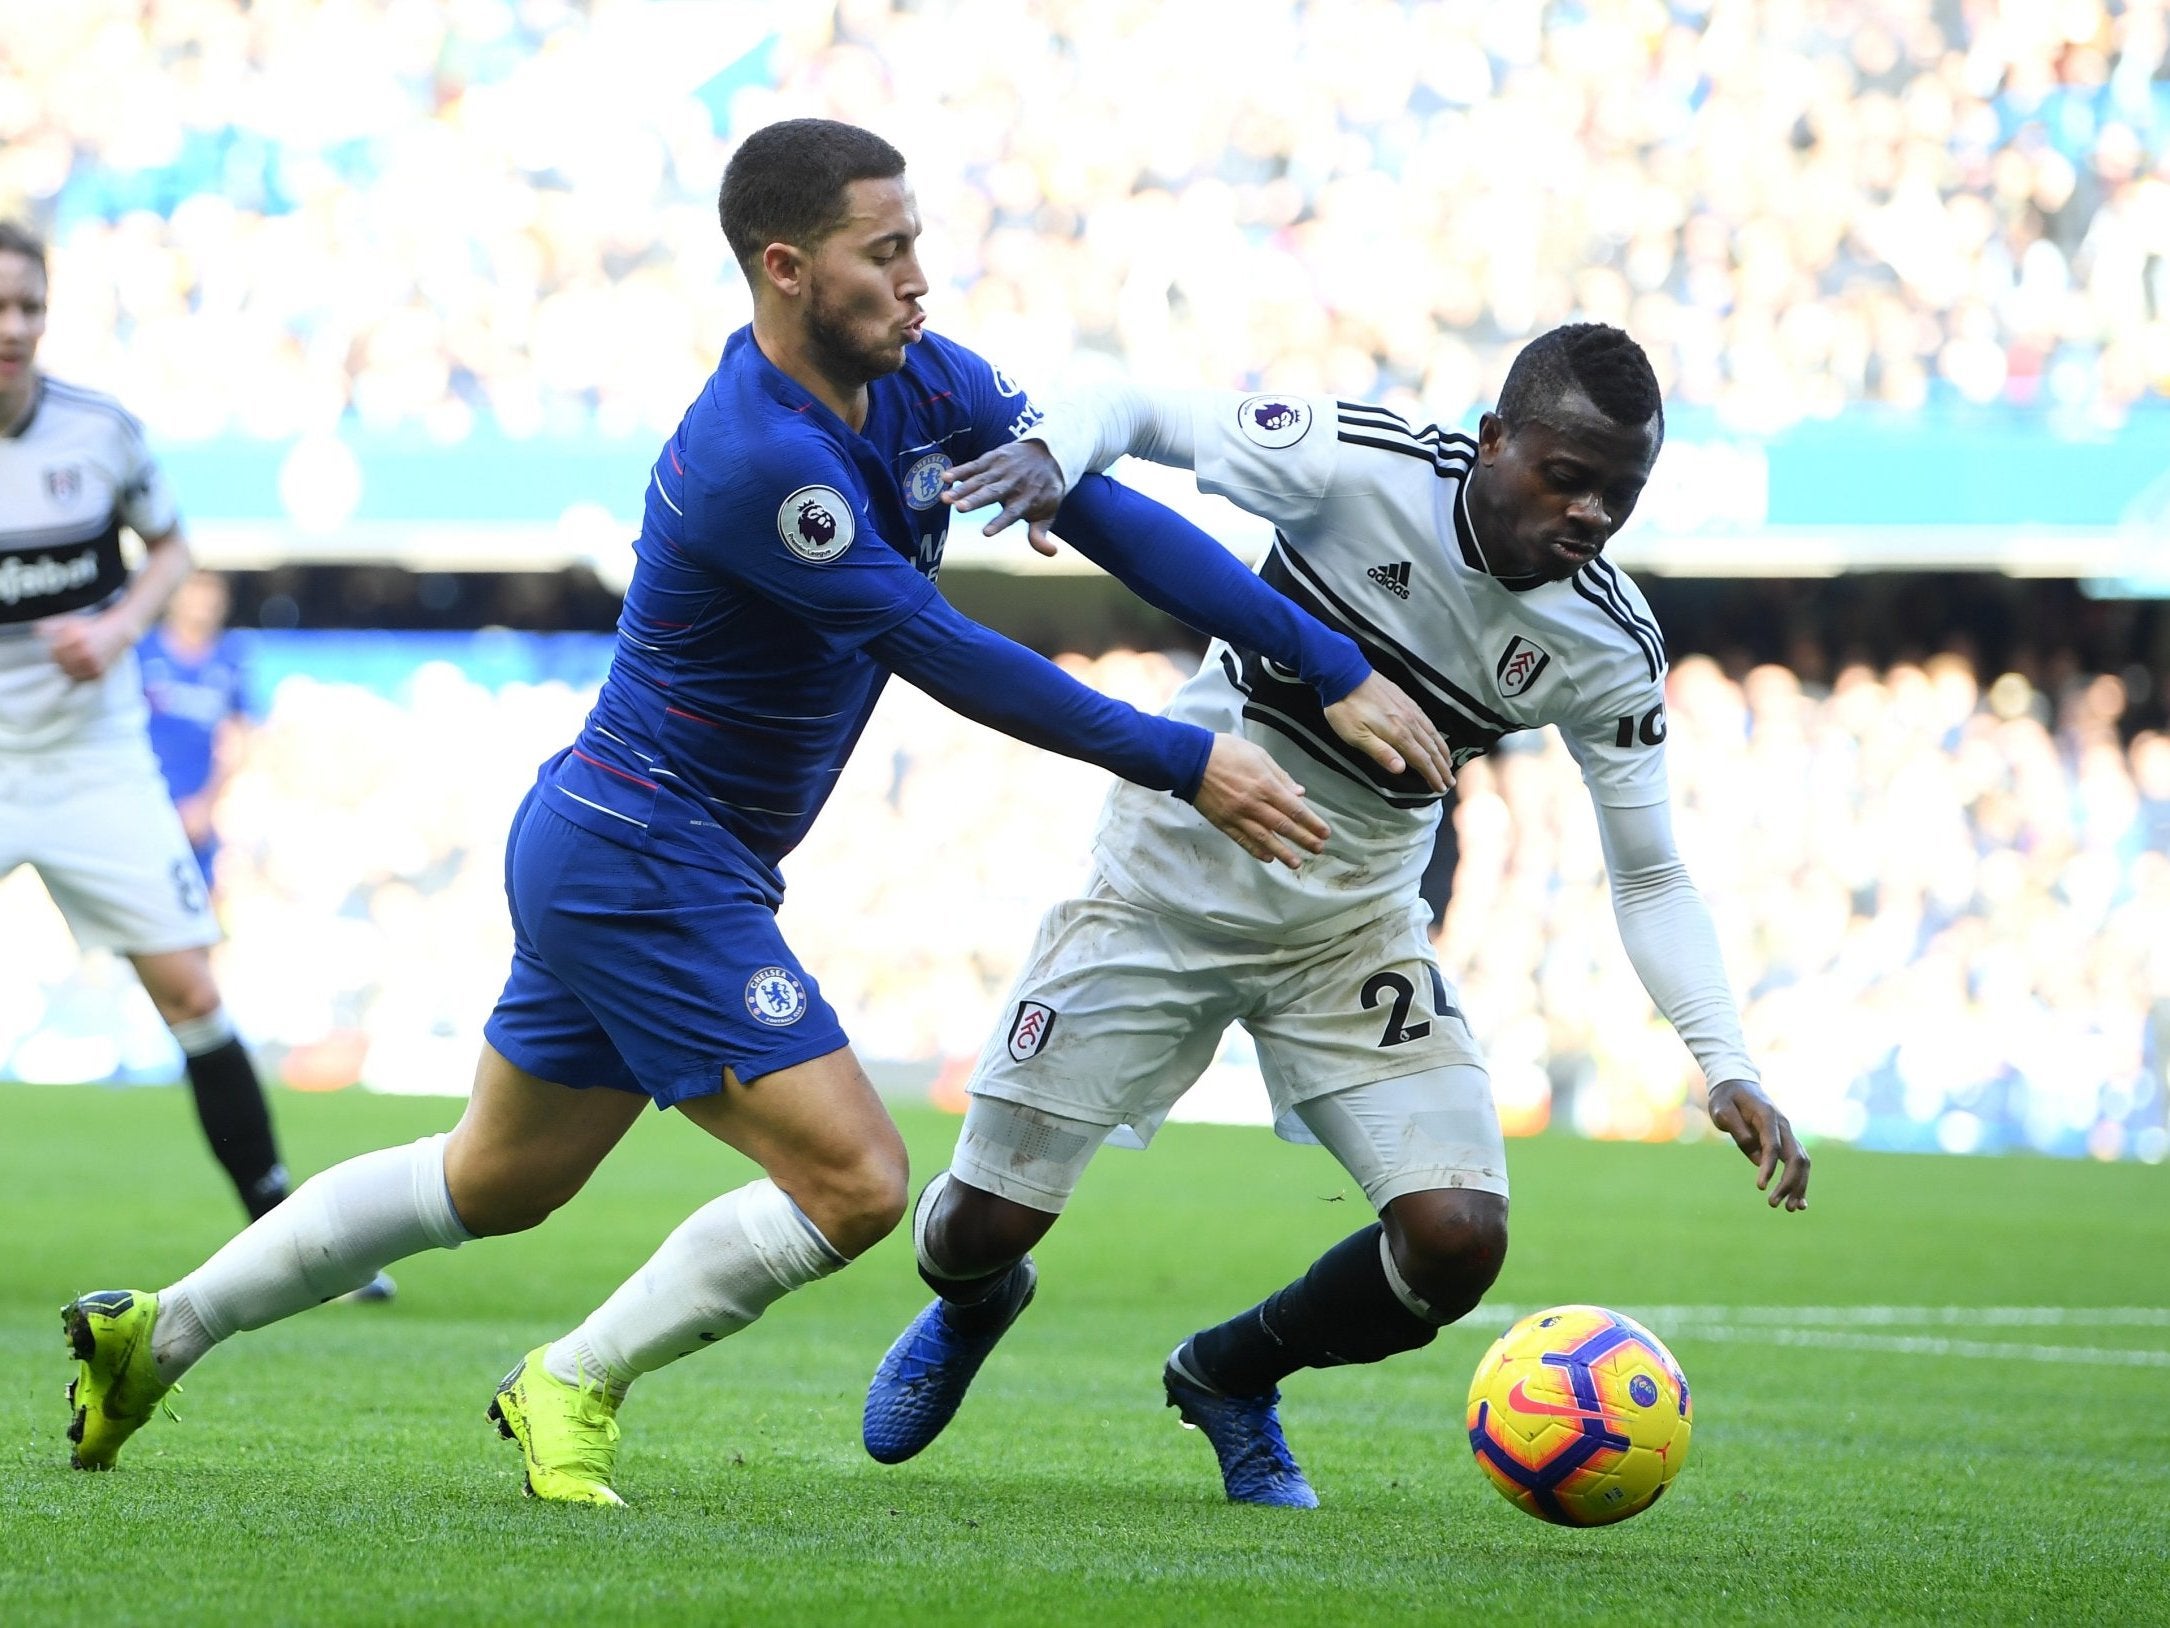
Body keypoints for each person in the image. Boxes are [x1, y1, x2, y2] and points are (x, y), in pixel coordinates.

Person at [61, 119, 1452, 1499]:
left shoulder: (918, 379)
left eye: (919, 245)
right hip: (645, 855)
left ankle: (157, 1333)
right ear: (787, 267)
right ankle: (571, 1382)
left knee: (490, 1185)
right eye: (885, 251)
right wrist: (1184, 758)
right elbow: (936, 646)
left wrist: (1323, 664)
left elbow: (1100, 512)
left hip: (617, 841)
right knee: (856, 1182)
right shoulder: (754, 460)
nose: (918, 279)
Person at [860, 322, 1811, 1507]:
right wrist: (1055, 452)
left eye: (1619, 493)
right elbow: (1127, 400)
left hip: (1350, 931)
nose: (1590, 514)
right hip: (1164, 882)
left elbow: (1652, 872)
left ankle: (1227, 1374)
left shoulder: (1609, 643)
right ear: (1491, 441)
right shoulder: (1358, 464)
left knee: (1458, 1238)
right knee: (971, 1229)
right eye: (1565, 477)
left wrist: (1723, 1061)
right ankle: (979, 1300)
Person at [0, 220, 298, 1230]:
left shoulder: (101, 429)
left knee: (190, 990)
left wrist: (121, 624)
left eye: (28, 305)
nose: (13, 325)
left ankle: (279, 1222)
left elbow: (170, 548)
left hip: (92, 755)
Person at [139, 569, 249, 894]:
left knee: (198, 910)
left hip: (196, 814)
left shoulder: (230, 661)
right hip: (142, 803)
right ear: (173, 598)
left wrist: (207, 804)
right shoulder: (141, 653)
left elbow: (237, 740)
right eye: (194, 593)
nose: (202, 604)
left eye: (211, 596)